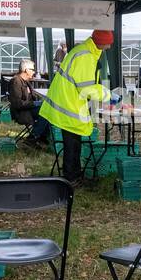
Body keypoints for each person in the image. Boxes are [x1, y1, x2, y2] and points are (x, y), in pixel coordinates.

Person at [41, 29, 113, 183]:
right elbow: (86, 88)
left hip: (67, 102)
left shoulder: (85, 51)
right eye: (108, 44)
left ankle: (74, 176)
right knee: (72, 145)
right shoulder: (86, 56)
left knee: (73, 144)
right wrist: (107, 95)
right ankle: (71, 179)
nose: (109, 47)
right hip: (69, 105)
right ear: (102, 43)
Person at [9, 58, 49, 144]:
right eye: (32, 69)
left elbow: (31, 97)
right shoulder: (16, 81)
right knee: (46, 112)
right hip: (22, 112)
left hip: (27, 109)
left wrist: (36, 102)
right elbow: (17, 104)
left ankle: (41, 138)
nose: (34, 72)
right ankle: (33, 138)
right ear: (26, 70)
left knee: (47, 110)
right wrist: (35, 103)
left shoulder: (24, 81)